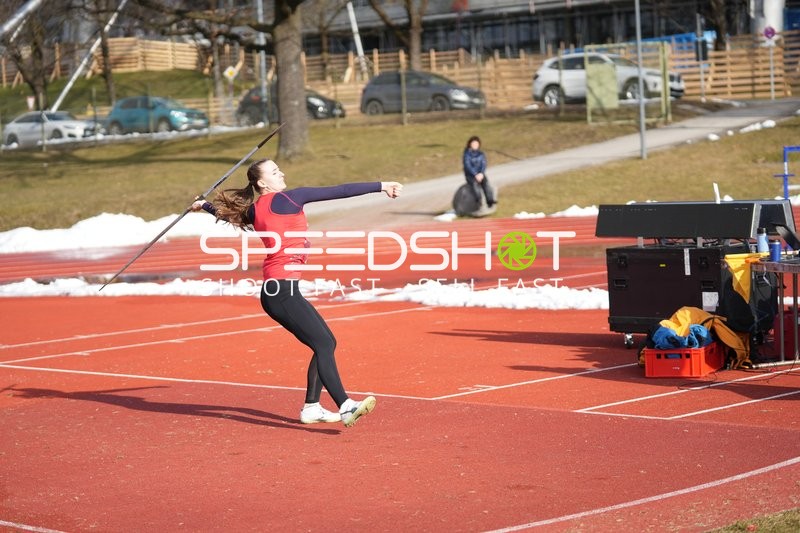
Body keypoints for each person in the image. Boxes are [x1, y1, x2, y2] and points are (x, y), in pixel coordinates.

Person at [191, 158, 403, 427]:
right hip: (281, 291)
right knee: (324, 344)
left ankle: (312, 407)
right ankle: (346, 405)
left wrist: (203, 205)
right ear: (262, 182)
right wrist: (382, 185)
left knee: (326, 343)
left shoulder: (255, 210)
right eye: (275, 172)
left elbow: (230, 216)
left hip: (279, 291)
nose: (282, 174)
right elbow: (339, 190)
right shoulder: (290, 198)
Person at [462, 135, 496, 209]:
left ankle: (490, 200)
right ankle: (478, 201)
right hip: (471, 175)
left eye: (476, 144)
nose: (475, 145)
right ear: (470, 144)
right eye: (473, 143)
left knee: (486, 184)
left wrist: (481, 173)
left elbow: (484, 164)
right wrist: (475, 174)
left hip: (480, 174)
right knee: (475, 185)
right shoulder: (466, 154)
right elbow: (467, 165)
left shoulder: (481, 154)